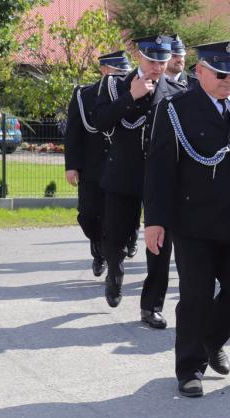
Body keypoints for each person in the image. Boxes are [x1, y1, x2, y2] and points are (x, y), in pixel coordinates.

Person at [143, 39, 230, 398]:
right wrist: (154, 220)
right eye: (221, 74)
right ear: (200, 71)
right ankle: (190, 368)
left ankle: (210, 341)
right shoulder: (175, 109)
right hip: (194, 222)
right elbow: (159, 169)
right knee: (196, 297)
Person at [92, 35, 184, 329]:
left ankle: (151, 306)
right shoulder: (115, 85)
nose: (157, 66)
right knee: (116, 238)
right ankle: (114, 273)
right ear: (138, 56)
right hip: (123, 174)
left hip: (161, 178)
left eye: (162, 61)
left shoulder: (178, 91)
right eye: (152, 60)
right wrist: (130, 97)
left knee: (160, 245)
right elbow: (99, 122)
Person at [64, 50, 131, 278]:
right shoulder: (84, 95)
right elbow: (73, 132)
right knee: (87, 215)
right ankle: (97, 244)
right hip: (92, 168)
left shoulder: (130, 93)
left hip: (120, 167)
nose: (121, 76)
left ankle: (114, 256)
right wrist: (71, 165)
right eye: (117, 71)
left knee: (118, 217)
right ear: (103, 70)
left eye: (124, 72)